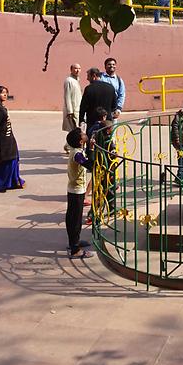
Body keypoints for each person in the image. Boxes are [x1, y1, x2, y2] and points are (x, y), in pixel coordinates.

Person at [0, 85, 25, 191]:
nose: (5, 95)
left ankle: (12, 181)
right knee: (4, 160)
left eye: (6, 92)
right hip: (2, 140)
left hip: (8, 138)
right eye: (2, 93)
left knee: (13, 159)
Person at [65, 128, 93, 259]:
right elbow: (88, 164)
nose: (85, 134)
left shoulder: (76, 151)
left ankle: (74, 242)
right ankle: (75, 249)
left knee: (73, 216)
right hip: (77, 190)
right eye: (83, 134)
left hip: (74, 188)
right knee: (75, 219)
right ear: (80, 140)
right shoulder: (77, 154)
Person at [79, 68, 117, 136]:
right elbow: (114, 106)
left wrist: (81, 120)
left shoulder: (89, 89)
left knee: (92, 142)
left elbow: (83, 107)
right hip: (107, 122)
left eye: (88, 76)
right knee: (106, 143)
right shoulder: (110, 87)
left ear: (94, 76)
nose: (87, 79)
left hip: (92, 122)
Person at [62, 63, 82, 137]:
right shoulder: (69, 81)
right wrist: (70, 111)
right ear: (71, 70)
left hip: (77, 109)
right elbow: (67, 96)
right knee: (73, 131)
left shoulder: (76, 80)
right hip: (72, 110)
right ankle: (70, 146)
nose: (77, 70)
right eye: (76, 68)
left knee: (76, 130)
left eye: (79, 68)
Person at [170, 105, 183, 182]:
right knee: (182, 158)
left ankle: (180, 176)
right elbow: (175, 126)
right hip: (181, 141)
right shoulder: (180, 116)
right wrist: (177, 139)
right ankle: (180, 177)